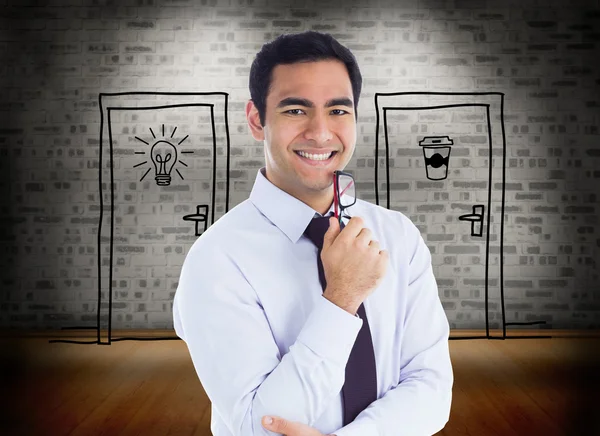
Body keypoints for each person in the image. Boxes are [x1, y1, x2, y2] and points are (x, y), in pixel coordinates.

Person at [173, 31, 453, 436]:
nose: (321, 133)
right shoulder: (216, 258)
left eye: (338, 110)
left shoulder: (399, 236)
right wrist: (342, 298)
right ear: (256, 119)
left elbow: (432, 389)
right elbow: (261, 427)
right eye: (295, 111)